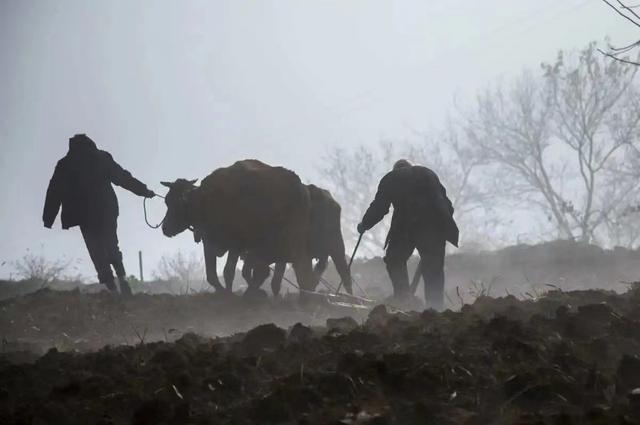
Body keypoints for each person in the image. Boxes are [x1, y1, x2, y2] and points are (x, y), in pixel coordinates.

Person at [42, 134, 155, 295]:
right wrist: (143, 191)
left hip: (84, 215)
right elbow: (122, 177)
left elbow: (54, 191)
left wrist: (48, 218)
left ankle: (112, 288)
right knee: (111, 244)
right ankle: (122, 278)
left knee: (96, 251)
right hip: (106, 209)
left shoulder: (65, 164)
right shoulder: (101, 157)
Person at [357, 159, 458, 310]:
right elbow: (447, 205)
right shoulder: (428, 173)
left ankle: (403, 298)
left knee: (395, 259)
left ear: (396, 169)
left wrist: (365, 224)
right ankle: (435, 310)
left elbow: (379, 207)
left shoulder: (391, 178)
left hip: (405, 225)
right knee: (433, 269)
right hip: (434, 226)